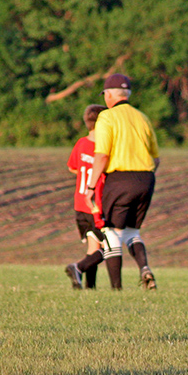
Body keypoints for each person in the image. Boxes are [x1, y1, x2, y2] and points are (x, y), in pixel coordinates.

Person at [85, 73, 160, 290]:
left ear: (109, 95)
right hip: (146, 178)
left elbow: (102, 156)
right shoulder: (142, 117)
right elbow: (156, 158)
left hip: (120, 179)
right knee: (131, 232)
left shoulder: (107, 117)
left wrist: (91, 186)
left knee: (111, 231)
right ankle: (144, 267)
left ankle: (116, 288)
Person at [65, 104, 107, 290]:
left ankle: (90, 287)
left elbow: (72, 167)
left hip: (79, 204)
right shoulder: (102, 148)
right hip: (95, 204)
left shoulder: (81, 143)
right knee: (109, 248)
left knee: (93, 248)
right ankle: (78, 268)